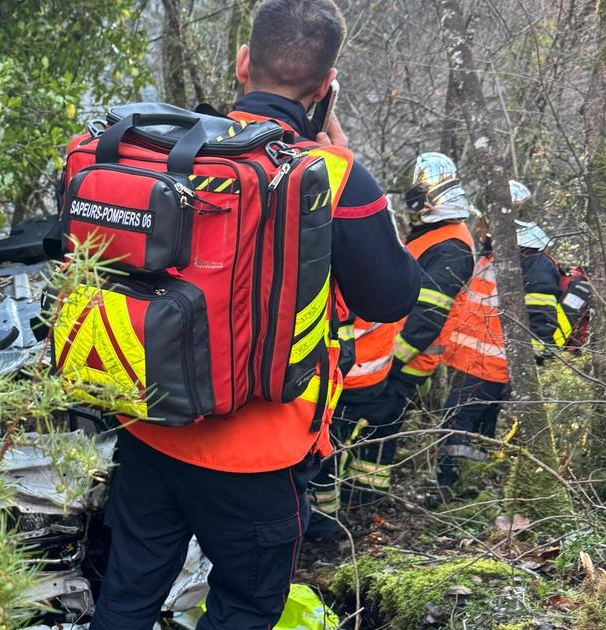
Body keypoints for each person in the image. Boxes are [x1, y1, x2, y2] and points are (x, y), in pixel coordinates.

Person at [89, 1, 421, 627]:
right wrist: (346, 166)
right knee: (243, 610)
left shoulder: (169, 153)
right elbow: (393, 297)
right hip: (258, 456)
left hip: (148, 426)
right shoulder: (332, 175)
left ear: (242, 63)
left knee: (127, 595)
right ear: (325, 90)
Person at [307, 152, 476, 522]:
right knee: (373, 442)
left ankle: (351, 514)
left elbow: (426, 317)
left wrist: (391, 364)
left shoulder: (451, 246)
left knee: (363, 438)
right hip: (388, 361)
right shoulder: (435, 237)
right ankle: (362, 506)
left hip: (402, 366)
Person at [435, 183, 573, 488]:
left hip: (492, 369)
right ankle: (470, 486)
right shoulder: (498, 255)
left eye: (486, 219)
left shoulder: (534, 264)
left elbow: (541, 326)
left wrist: (522, 374)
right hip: (474, 365)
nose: (481, 225)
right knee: (478, 429)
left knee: (455, 425)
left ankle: (449, 488)